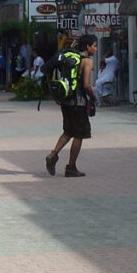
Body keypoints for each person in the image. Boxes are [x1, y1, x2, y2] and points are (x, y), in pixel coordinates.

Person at [44, 34, 98, 178]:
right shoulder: (87, 61)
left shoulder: (69, 58)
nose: (96, 48)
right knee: (79, 135)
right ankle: (71, 167)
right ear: (87, 46)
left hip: (65, 101)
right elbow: (86, 85)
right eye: (94, 45)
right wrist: (93, 97)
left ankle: (53, 154)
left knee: (68, 131)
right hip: (78, 103)